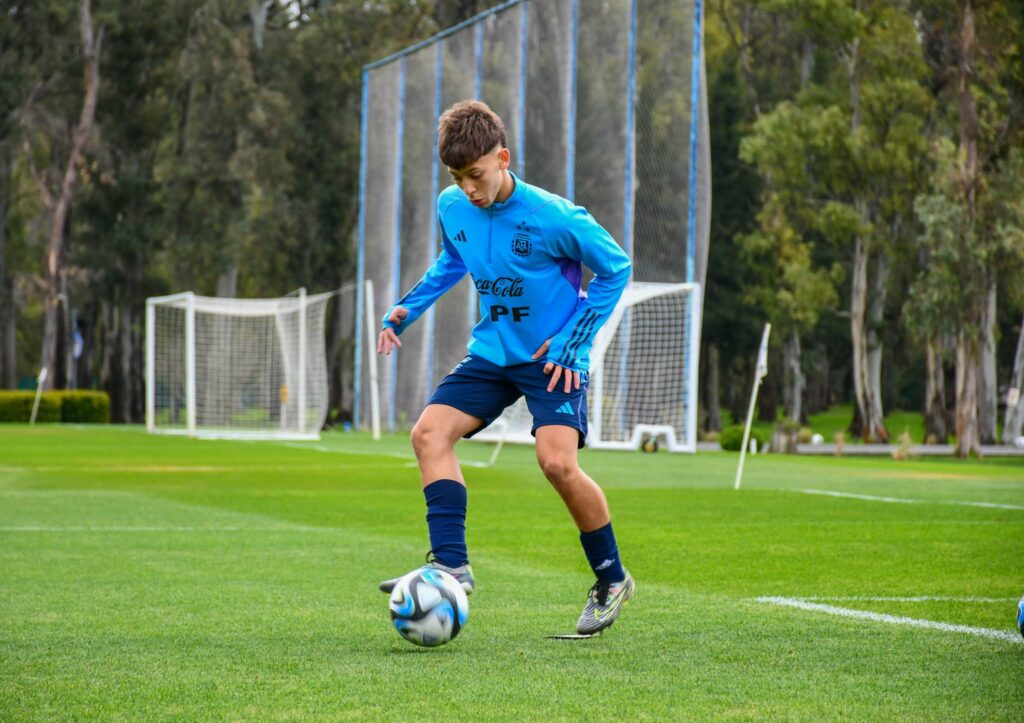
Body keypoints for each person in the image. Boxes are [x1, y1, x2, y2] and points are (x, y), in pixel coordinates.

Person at [376, 100, 634, 635]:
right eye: (457, 177)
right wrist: (408, 308)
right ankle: (450, 564)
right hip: (493, 352)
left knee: (557, 464)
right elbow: (453, 259)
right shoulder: (453, 205)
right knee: (428, 434)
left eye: (476, 175)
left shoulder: (554, 217)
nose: (469, 188)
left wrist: (573, 341)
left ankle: (611, 579)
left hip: (551, 359)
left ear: (503, 158)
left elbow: (616, 267)